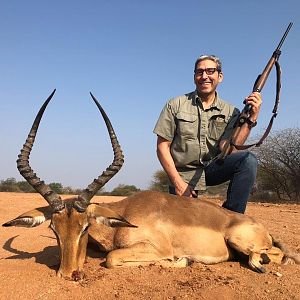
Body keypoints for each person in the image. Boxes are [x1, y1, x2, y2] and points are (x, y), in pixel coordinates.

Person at [153, 55, 262, 213]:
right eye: (199, 72)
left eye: (210, 71)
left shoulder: (231, 111)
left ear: (220, 76)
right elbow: (162, 147)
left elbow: (230, 149)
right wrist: (177, 183)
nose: (204, 76)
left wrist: (251, 119)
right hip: (182, 173)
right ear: (194, 76)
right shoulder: (175, 104)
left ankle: (234, 216)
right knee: (185, 227)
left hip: (211, 169)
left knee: (248, 160)